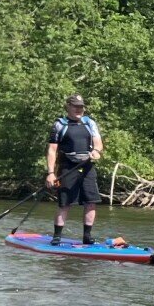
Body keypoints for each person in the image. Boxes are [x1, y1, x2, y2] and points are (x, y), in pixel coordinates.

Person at [45, 94, 105, 244]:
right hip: (67, 167)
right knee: (65, 203)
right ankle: (57, 236)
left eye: (81, 107)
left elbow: (98, 143)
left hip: (87, 166)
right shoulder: (59, 124)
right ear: (68, 107)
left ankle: (87, 236)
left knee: (91, 201)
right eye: (76, 106)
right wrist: (51, 174)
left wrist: (96, 151)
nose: (79, 109)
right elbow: (52, 150)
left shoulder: (89, 122)